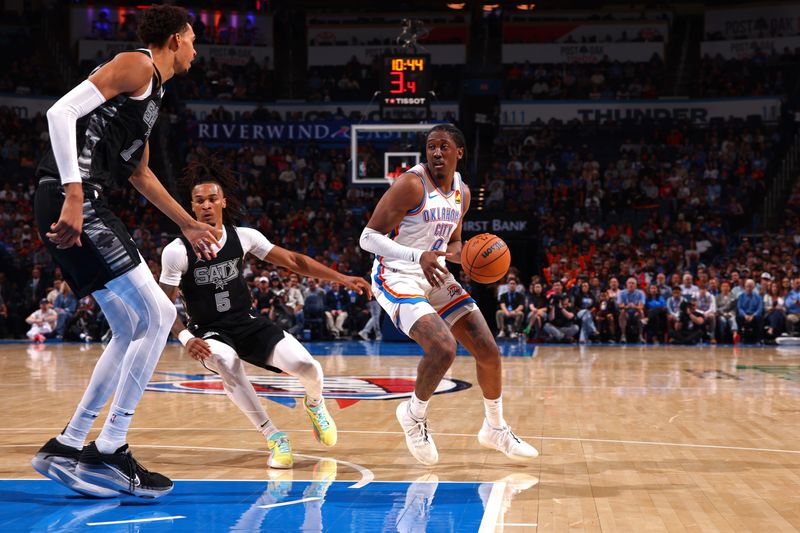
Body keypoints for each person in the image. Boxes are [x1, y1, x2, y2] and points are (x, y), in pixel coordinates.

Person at [30, 5, 219, 500]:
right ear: (176, 39)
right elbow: (60, 112)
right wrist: (73, 193)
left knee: (133, 325)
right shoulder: (137, 64)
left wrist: (188, 223)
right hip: (76, 197)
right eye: (193, 40)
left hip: (78, 196)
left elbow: (139, 174)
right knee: (158, 312)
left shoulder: (152, 96)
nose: (197, 50)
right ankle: (111, 449)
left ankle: (69, 444)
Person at [159, 158, 371, 469]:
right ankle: (274, 436)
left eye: (212, 199)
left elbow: (294, 261)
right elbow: (163, 304)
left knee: (307, 366)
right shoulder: (176, 251)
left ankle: (314, 404)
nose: (206, 205)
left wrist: (342, 278)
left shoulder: (244, 237)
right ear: (191, 207)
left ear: (223, 202)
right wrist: (185, 336)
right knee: (225, 360)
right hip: (208, 331)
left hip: (246, 323)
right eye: (200, 201)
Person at [359, 124, 537, 465]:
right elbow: (367, 238)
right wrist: (418, 256)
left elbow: (452, 242)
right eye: (430, 147)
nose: (436, 152)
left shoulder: (462, 193)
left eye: (443, 146)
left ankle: (495, 428)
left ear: (459, 153)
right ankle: (413, 415)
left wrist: (461, 256)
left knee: (488, 350)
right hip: (397, 275)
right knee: (443, 347)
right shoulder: (410, 184)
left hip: (436, 272)